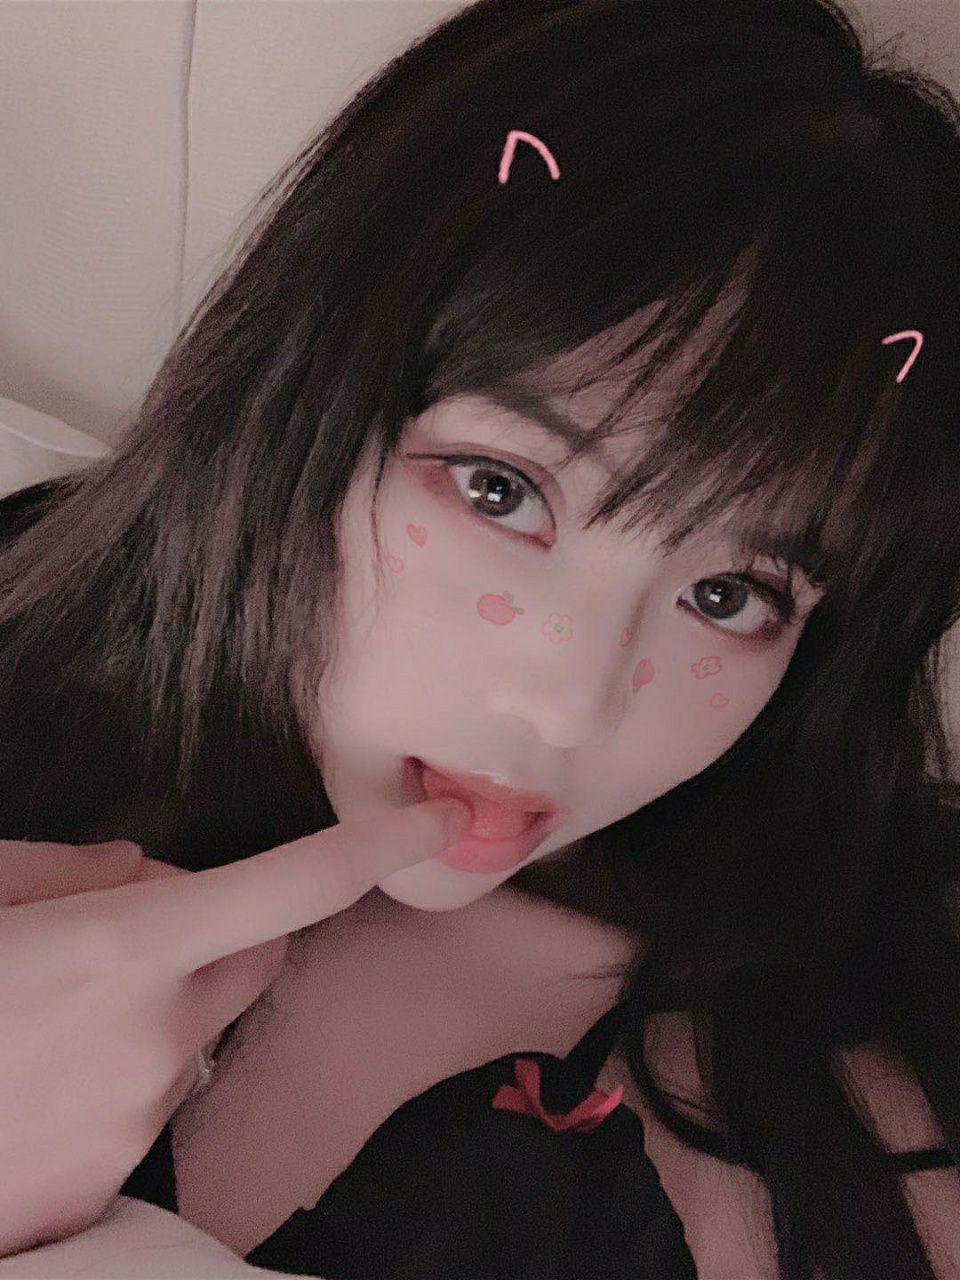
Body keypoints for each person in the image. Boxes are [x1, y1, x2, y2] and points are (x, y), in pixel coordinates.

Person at [1, 0, 959, 1275]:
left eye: (731, 594)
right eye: (502, 491)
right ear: (297, 394)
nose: (571, 703)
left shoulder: (847, 1102)